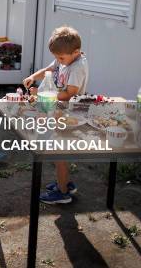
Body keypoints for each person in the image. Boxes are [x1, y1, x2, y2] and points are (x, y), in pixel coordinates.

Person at [23, 26, 88, 204]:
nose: (58, 61)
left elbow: (70, 93)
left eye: (61, 58)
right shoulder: (64, 59)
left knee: (59, 153)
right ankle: (66, 184)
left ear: (75, 52)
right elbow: (49, 70)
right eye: (56, 57)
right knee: (57, 151)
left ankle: (62, 193)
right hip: (58, 111)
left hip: (69, 115)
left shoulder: (78, 67)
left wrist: (43, 94)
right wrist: (33, 77)